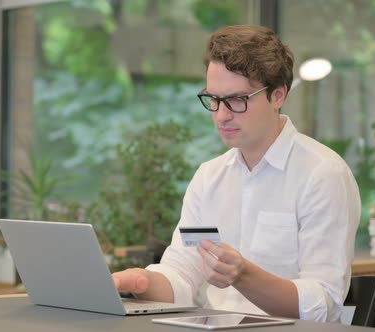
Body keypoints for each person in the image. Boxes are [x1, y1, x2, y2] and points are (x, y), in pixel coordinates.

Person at [112, 24, 360, 322]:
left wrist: (243, 275)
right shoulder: (209, 177)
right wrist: (138, 282)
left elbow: (322, 304)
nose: (221, 115)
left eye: (237, 100)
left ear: (278, 96)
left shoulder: (322, 175)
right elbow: (182, 276)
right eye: (213, 100)